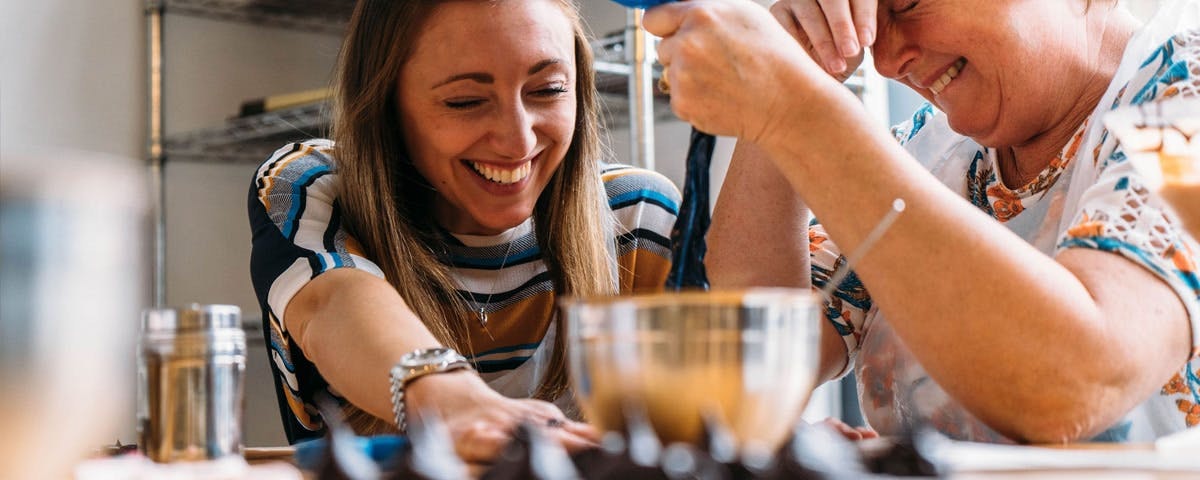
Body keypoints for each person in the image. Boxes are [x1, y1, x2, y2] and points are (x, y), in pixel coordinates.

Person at [644, 0, 1200, 443]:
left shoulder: (1186, 104)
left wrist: (798, 109)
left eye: (908, 4)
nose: (885, 61)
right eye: (872, 18)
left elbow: (1076, 384)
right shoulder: (923, 152)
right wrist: (793, 75)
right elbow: (747, 365)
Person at [247, 0, 680, 462]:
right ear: (385, 103)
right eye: (466, 101)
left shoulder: (637, 215)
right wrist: (456, 405)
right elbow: (331, 303)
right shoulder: (310, 186)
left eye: (548, 90)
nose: (518, 141)